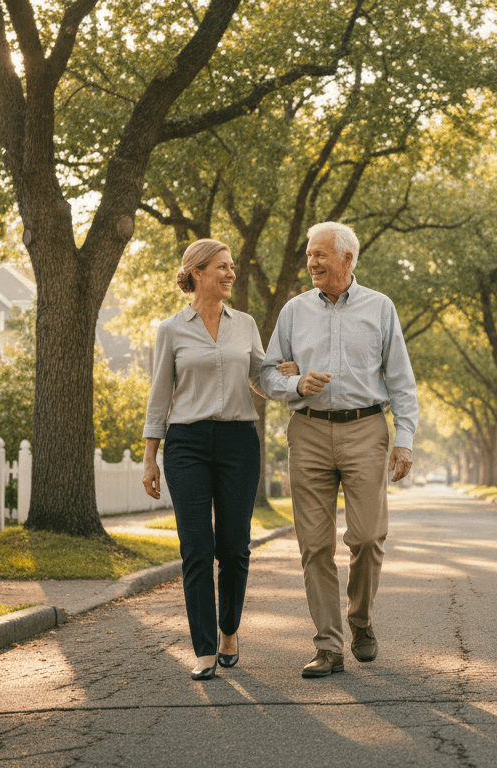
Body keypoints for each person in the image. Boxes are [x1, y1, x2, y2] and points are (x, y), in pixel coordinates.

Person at [260, 221, 418, 679]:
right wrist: (294, 383)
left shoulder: (380, 308)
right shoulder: (293, 310)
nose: (311, 262)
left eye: (320, 254)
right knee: (314, 545)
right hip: (307, 432)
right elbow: (267, 375)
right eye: (309, 254)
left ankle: (361, 619)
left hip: (365, 429)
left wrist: (403, 440)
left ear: (347, 259)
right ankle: (328, 645)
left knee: (367, 538)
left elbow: (402, 383)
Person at [141, 238, 296, 681]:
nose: (231, 274)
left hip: (237, 443)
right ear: (197, 272)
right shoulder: (171, 330)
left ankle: (229, 630)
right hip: (187, 443)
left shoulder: (244, 324)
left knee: (233, 546)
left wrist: (284, 377)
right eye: (222, 267)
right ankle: (204, 648)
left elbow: (260, 379)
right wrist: (151, 458)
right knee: (196, 547)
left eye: (232, 268)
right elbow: (160, 396)